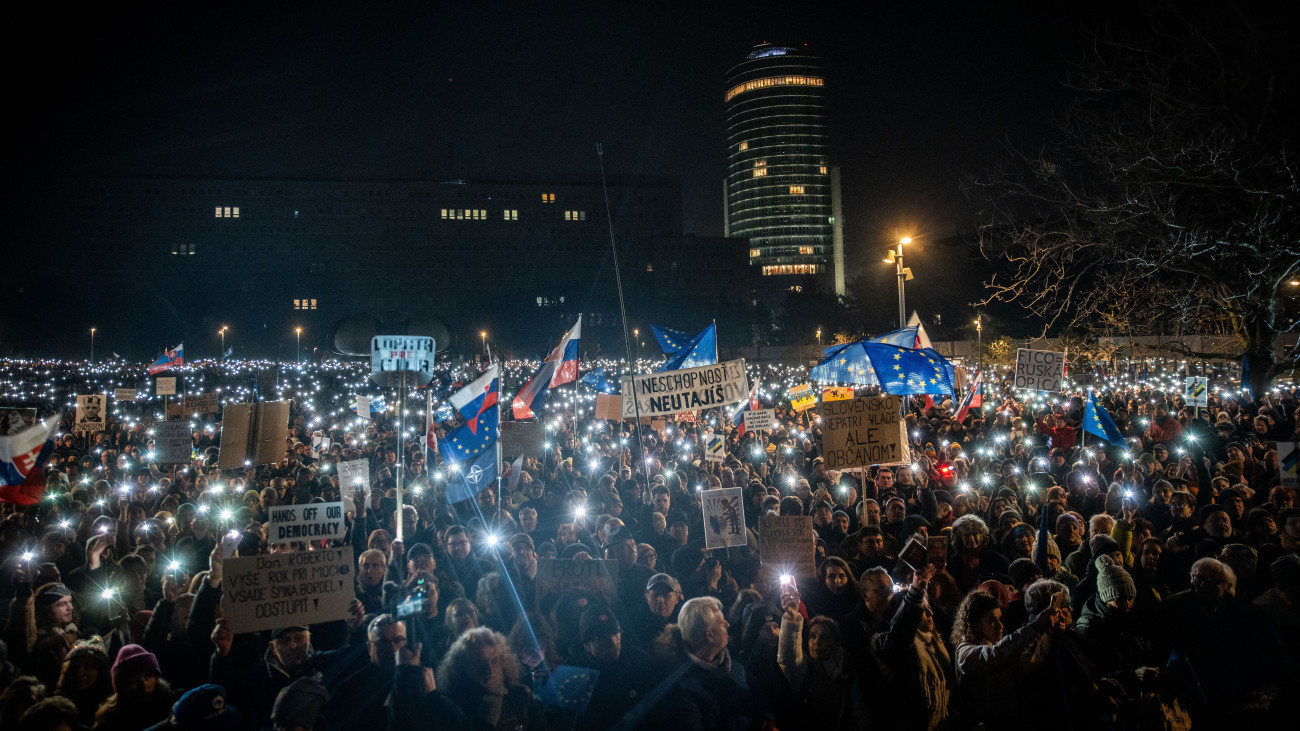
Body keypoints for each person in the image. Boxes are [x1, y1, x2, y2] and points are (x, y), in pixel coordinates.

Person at [647, 596, 772, 730]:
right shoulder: (681, 690)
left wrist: (768, 720)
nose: (727, 624)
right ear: (709, 636)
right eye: (722, 623)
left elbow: (754, 689)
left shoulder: (730, 655)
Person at [950, 587, 1064, 727]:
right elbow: (994, 657)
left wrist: (1050, 633)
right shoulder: (965, 653)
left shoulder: (997, 644)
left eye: (1000, 619)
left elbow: (1030, 665)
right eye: (992, 621)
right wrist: (1034, 627)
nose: (1000, 626)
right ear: (976, 625)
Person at [435, 627, 548, 731]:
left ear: (503, 661)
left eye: (494, 661)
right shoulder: (453, 707)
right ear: (463, 666)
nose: (489, 670)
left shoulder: (522, 697)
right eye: (480, 664)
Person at [92, 644, 174, 731]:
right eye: (136, 680)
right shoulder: (109, 719)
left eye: (148, 676)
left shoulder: (170, 707)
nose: (144, 683)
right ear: (123, 686)